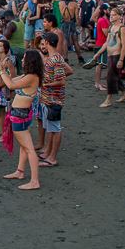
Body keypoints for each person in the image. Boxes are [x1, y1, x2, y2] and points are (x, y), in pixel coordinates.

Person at [0, 49, 42, 190]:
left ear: (30, 61)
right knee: (24, 147)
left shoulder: (32, 77)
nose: (22, 60)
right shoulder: (26, 76)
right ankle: (20, 172)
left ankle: (35, 181)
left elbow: (10, 85)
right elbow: (0, 84)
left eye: (24, 58)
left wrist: (2, 71)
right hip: (20, 114)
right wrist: (1, 69)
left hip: (20, 115)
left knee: (29, 149)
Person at [37, 32, 72, 168]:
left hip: (54, 99)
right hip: (49, 98)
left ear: (47, 42)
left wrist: (46, 84)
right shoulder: (55, 57)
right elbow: (68, 71)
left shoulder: (55, 59)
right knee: (51, 127)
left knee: (55, 128)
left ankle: (52, 158)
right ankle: (48, 152)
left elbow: (61, 81)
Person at [92, 7, 125, 108]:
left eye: (114, 15)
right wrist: (99, 53)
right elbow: (106, 43)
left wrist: (121, 59)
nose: (111, 17)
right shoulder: (111, 27)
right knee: (115, 76)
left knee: (110, 77)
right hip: (110, 55)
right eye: (111, 15)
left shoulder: (122, 28)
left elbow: (124, 45)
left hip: (117, 55)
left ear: (119, 16)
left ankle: (108, 99)